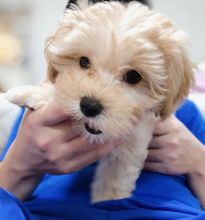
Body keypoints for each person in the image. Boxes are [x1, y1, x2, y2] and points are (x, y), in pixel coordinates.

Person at [1, 2, 205, 220]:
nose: (94, 96)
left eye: (132, 77)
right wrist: (20, 165)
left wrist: (199, 162)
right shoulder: (36, 116)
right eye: (84, 62)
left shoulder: (184, 115)